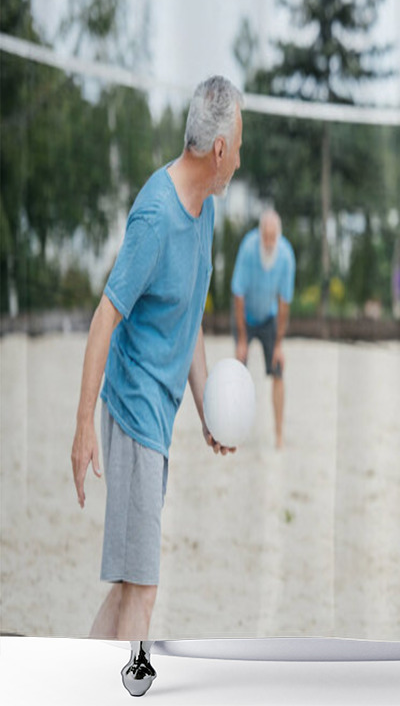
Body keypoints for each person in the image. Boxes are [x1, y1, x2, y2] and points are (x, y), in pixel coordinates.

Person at [70, 76, 244, 642]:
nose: (240, 158)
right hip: (134, 415)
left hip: (158, 421)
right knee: (142, 591)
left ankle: (79, 686)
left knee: (127, 585)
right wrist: (82, 428)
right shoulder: (155, 216)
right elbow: (104, 318)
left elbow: (189, 316)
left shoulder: (206, 210)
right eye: (238, 144)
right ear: (218, 149)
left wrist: (207, 410)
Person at [231, 209, 296, 449]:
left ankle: (279, 433)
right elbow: (238, 294)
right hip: (245, 315)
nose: (268, 243)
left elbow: (284, 303)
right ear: (260, 235)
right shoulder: (248, 248)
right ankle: (232, 429)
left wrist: (279, 345)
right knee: (237, 371)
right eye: (265, 237)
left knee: (278, 370)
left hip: (270, 317)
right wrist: (241, 339)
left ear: (278, 235)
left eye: (273, 237)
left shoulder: (286, 256)